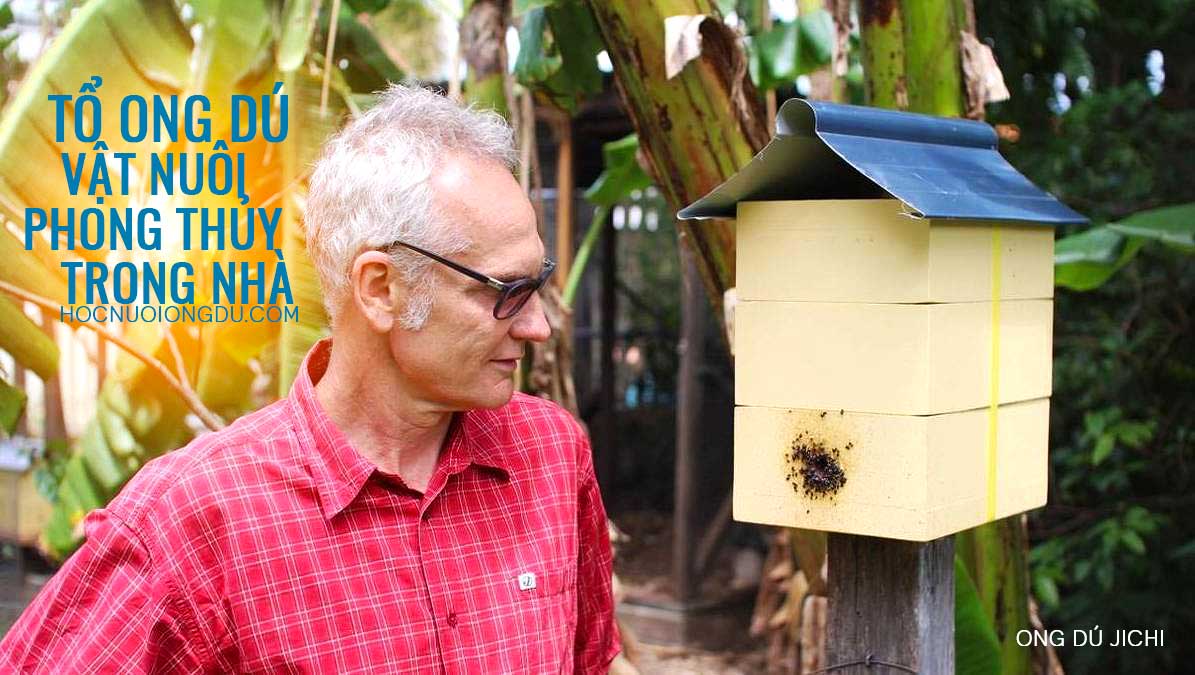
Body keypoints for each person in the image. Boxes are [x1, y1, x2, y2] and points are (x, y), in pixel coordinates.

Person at [0, 84, 621, 673]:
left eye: (537, 283)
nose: (538, 326)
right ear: (381, 289)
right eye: (506, 292)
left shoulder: (550, 455)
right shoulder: (194, 519)